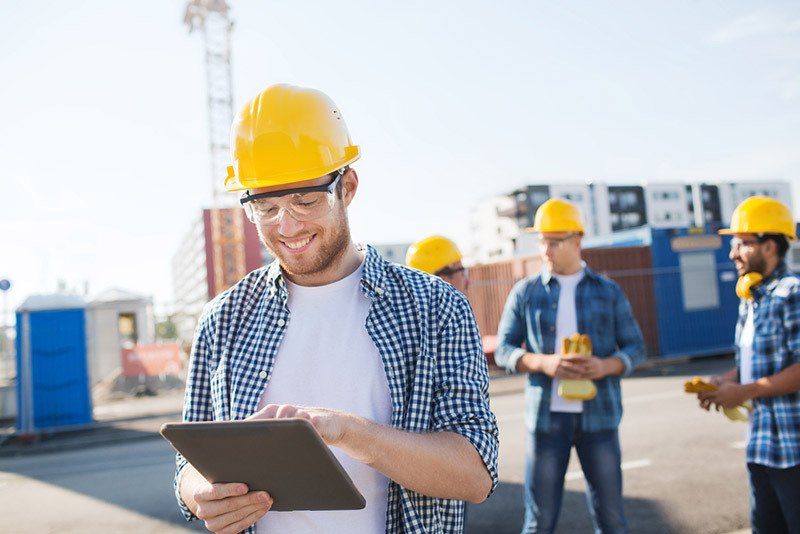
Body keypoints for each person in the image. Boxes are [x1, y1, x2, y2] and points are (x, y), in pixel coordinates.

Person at [173, 83, 498, 534]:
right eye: (265, 207)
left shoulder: (435, 309)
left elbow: (475, 475)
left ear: (347, 187)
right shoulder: (223, 319)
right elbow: (189, 466)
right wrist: (200, 495)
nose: (287, 226)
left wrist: (346, 432)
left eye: (305, 201)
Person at [494, 198, 645, 534]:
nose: (545, 249)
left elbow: (636, 348)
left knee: (612, 521)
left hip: (600, 419)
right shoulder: (525, 293)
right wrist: (543, 362)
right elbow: (503, 350)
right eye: (542, 240)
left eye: (554, 241)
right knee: (539, 523)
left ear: (577, 240)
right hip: (547, 421)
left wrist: (605, 366)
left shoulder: (608, 292)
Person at [695, 196, 800, 534]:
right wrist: (722, 382)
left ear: (769, 246)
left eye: (741, 243)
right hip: (762, 446)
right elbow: (752, 365)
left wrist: (743, 391)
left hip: (794, 449)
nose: (732, 253)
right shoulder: (751, 299)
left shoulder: (793, 294)